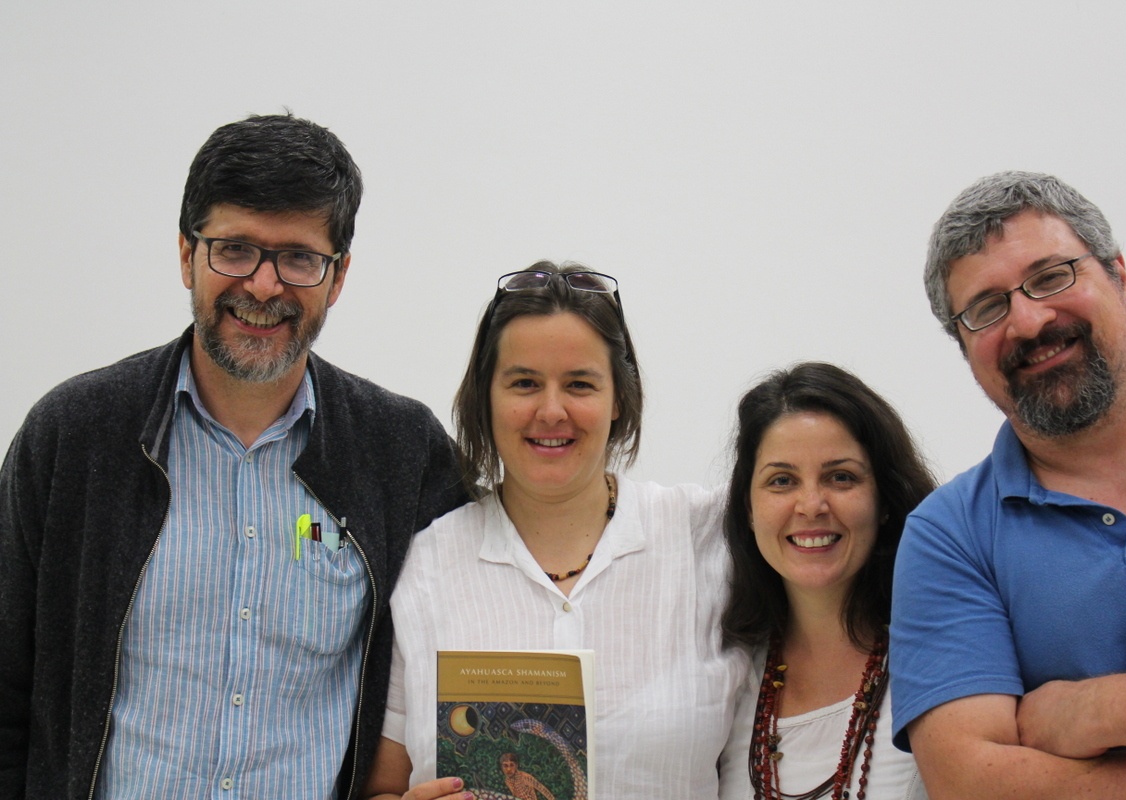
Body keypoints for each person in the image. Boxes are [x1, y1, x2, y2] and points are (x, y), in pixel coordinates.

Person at [0, 113, 466, 798]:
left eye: (299, 258)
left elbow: (460, 648)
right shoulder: (74, 436)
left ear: (336, 279)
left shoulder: (403, 453)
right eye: (235, 249)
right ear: (187, 254)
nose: (265, 285)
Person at [363, 262, 749, 800]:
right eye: (524, 383)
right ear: (485, 399)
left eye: (579, 384)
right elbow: (380, 786)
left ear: (619, 399)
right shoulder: (425, 565)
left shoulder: (706, 539)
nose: (551, 410)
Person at [890, 170, 1126, 798]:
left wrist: (1091, 710)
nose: (1028, 321)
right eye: (987, 309)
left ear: (1121, 277)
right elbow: (972, 783)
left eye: (1051, 276)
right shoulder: (947, 536)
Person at [717, 363, 936, 800]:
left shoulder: (938, 660)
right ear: (748, 507)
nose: (812, 504)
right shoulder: (724, 678)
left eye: (841, 477)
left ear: (884, 501)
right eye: (782, 480)